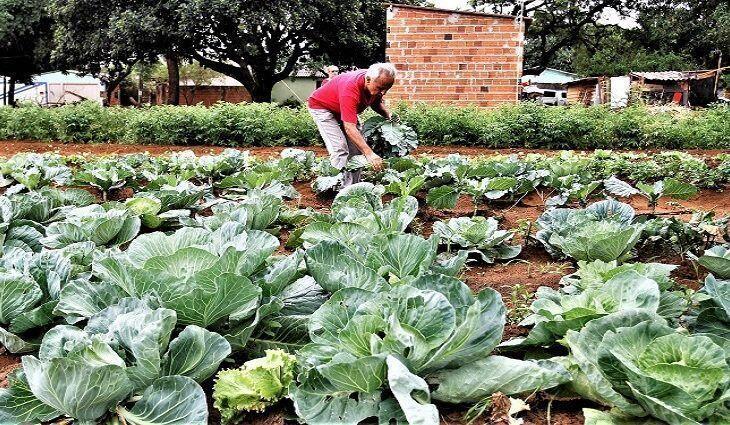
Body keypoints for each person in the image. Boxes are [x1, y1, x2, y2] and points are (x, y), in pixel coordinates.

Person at [308, 62, 397, 188]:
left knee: (356, 149)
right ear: (368, 80)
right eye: (380, 88)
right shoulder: (350, 88)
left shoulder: (376, 81)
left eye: (386, 89)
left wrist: (389, 115)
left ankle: (352, 187)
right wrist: (370, 153)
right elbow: (350, 128)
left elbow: (376, 103)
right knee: (340, 148)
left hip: (342, 107)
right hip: (322, 107)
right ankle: (336, 187)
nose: (383, 93)